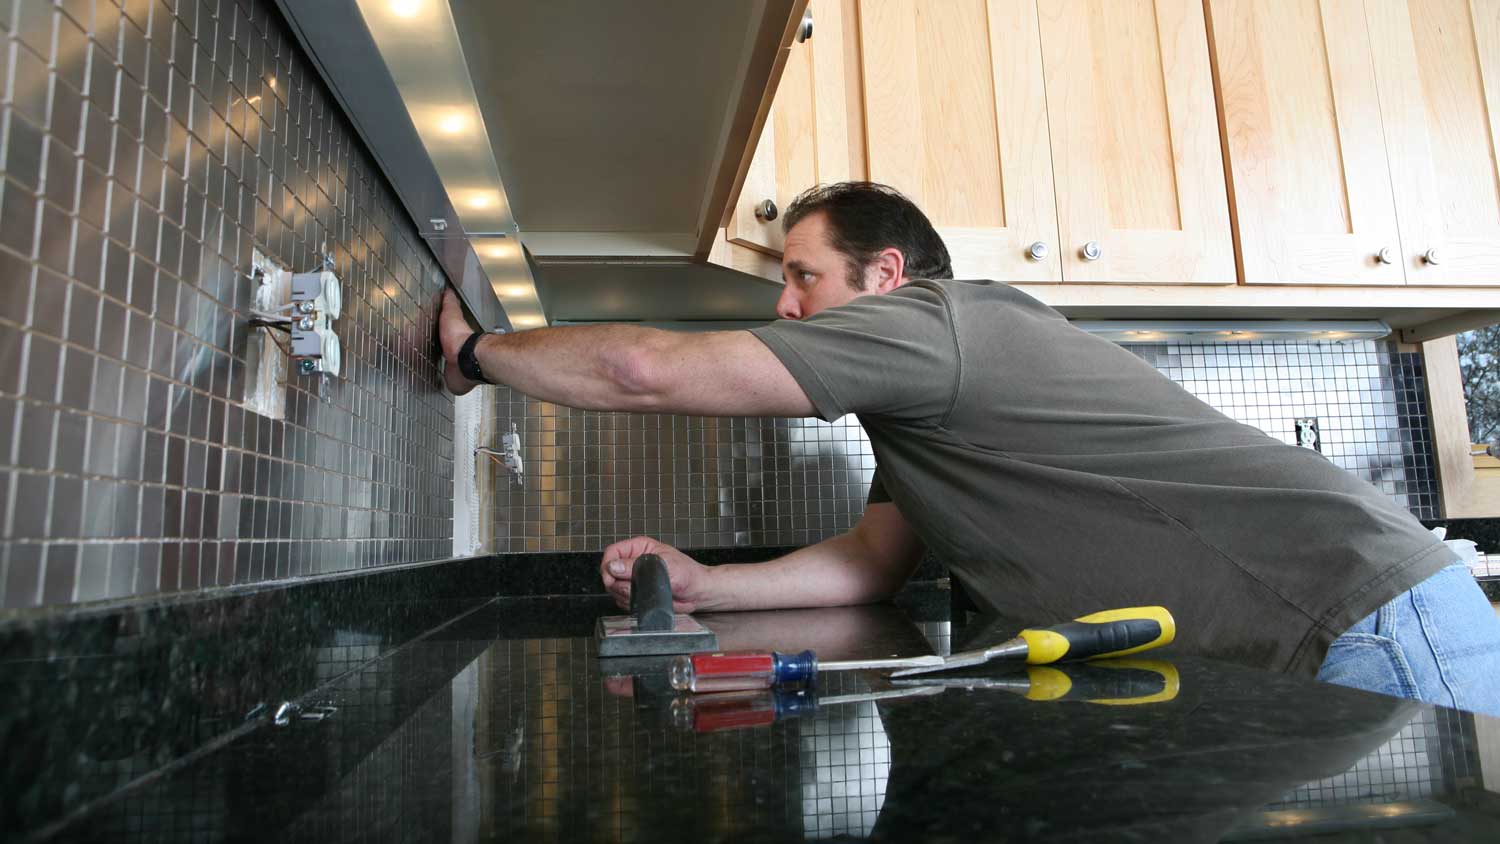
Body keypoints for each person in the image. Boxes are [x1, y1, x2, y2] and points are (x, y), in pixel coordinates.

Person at [439, 181, 1500, 715]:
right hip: (1359, 627)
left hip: (1369, 617)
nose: (784, 303)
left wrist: (477, 349)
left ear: (886, 277)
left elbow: (646, 370)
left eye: (803, 274)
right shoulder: (922, 405)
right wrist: (707, 585)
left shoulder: (936, 328)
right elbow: (871, 561)